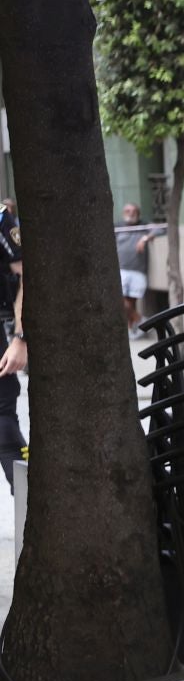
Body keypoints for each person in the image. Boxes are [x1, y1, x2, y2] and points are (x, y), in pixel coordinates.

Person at [0, 199, 26, 488]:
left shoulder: (0, 219)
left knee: (3, 422)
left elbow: (25, 273)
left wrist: (21, 337)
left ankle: (33, 513)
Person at [115, 203, 161, 335]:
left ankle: (131, 330)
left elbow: (161, 229)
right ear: (124, 213)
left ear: (138, 213)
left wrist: (145, 238)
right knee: (121, 301)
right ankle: (140, 320)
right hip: (121, 270)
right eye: (128, 211)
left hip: (138, 271)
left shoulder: (143, 226)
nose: (131, 213)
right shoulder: (118, 227)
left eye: (134, 211)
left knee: (131, 301)